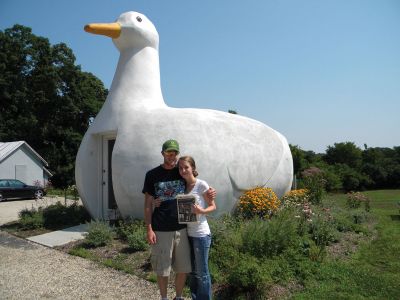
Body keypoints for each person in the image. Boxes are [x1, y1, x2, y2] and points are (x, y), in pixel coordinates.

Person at [143, 140, 215, 300]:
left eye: (174, 152)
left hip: (183, 229)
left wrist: (210, 193)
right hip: (161, 229)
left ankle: (179, 296)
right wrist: (149, 228)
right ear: (162, 154)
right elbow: (148, 204)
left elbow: (196, 184)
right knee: (163, 269)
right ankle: (163, 297)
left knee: (183, 268)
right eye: (168, 152)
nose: (172, 156)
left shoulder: (181, 172)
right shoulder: (152, 175)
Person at [178, 156, 216, 300]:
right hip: (187, 234)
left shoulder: (201, 185)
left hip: (201, 234)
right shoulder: (181, 186)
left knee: (202, 272)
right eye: (180, 168)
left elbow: (213, 206)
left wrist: (201, 211)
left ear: (193, 168)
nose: (183, 170)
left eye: (186, 167)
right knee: (193, 272)